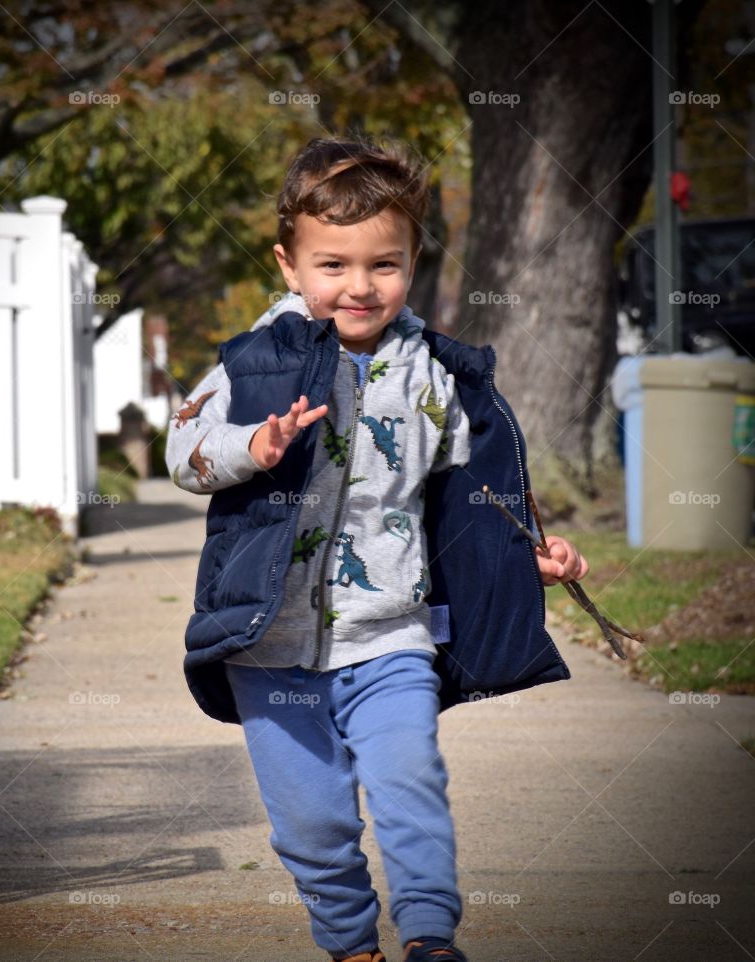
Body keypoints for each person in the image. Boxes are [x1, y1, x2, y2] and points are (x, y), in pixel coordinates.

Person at [166, 136, 589, 962]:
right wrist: (254, 445)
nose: (360, 287)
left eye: (383, 265)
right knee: (314, 819)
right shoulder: (251, 364)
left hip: (391, 635)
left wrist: (528, 551)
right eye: (333, 265)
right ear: (289, 265)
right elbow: (183, 453)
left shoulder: (433, 372)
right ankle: (351, 944)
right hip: (269, 644)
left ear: (412, 262)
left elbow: (479, 487)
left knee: (409, 785)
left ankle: (431, 936)